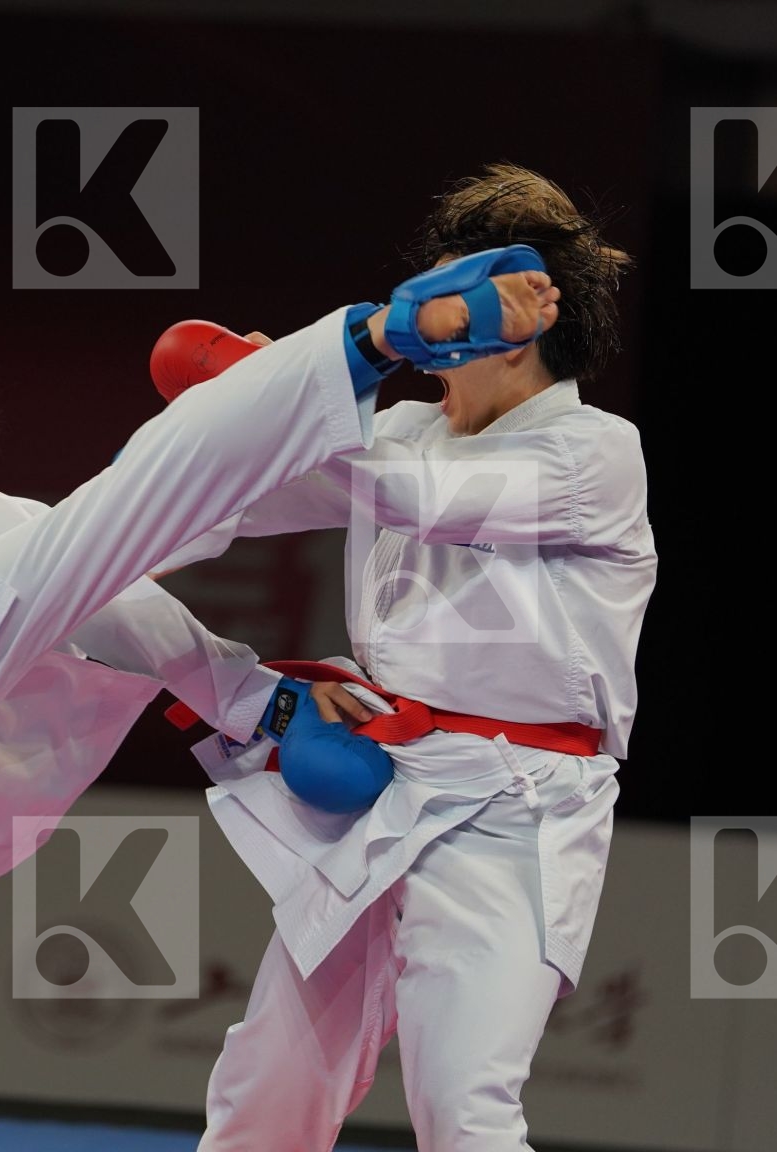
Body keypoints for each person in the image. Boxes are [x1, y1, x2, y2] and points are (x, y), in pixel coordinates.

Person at [0, 264, 559, 1152]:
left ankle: (306, 384)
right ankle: (377, 338)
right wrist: (267, 703)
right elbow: (105, 572)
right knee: (120, 516)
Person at [159, 164, 654, 1152]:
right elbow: (233, 507)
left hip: (514, 809)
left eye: (449, 301)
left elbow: (415, 499)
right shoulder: (407, 428)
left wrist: (293, 389)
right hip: (384, 781)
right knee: (266, 1089)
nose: (428, 322)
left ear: (520, 319)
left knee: (463, 1104)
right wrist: (241, 416)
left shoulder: (594, 451)